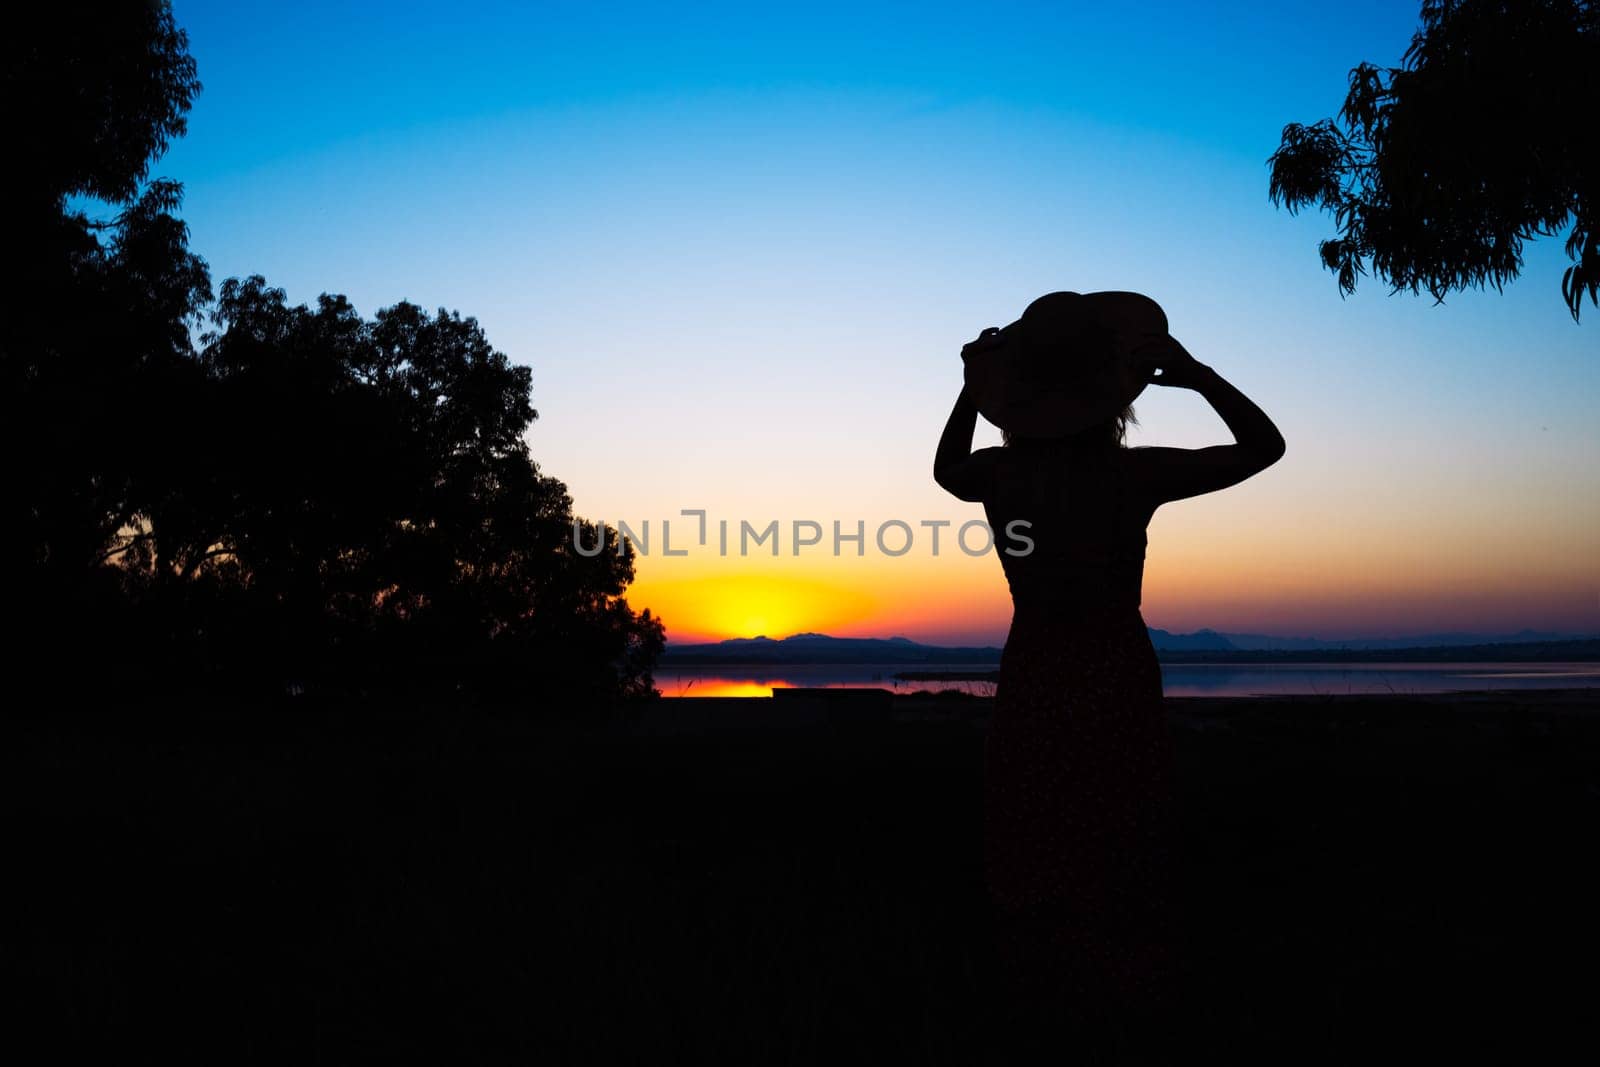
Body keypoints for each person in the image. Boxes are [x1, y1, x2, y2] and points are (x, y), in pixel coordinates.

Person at [934, 293, 1286, 1059]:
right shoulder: (1132, 475)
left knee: (1034, 849)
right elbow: (1263, 447)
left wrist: (972, 387)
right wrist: (1197, 376)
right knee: (1121, 849)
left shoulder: (1001, 475)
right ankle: (1128, 1011)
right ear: (1111, 395)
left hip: (1034, 671)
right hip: (1116, 671)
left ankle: (1044, 1015)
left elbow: (946, 469)